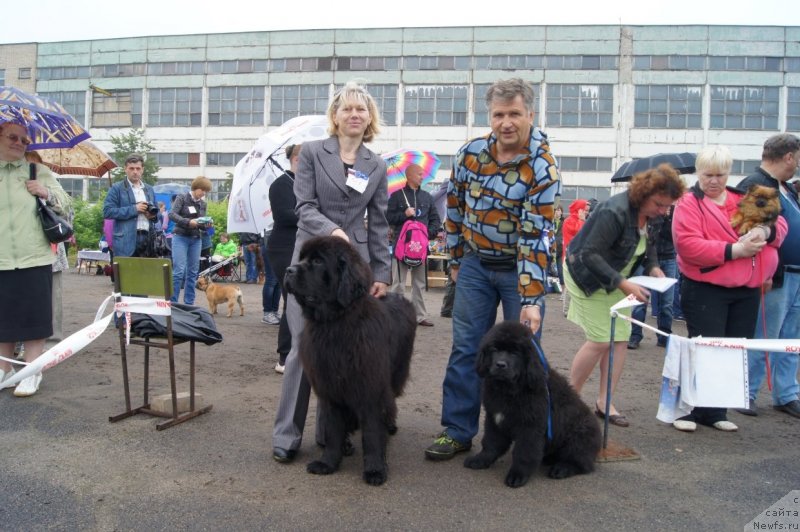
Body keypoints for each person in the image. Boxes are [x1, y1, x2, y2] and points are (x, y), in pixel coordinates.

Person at [424, 78, 561, 461]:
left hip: (520, 272)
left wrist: (532, 299)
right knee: (467, 349)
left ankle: (526, 435)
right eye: (499, 114)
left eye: (514, 113)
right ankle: (457, 431)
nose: (506, 123)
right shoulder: (469, 154)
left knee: (524, 355)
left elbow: (536, 236)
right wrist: (454, 260)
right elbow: (454, 210)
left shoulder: (543, 167)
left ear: (530, 115)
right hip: (474, 266)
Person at [272, 81, 390, 463]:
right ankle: (287, 435)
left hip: (349, 273)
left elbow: (379, 225)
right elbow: (304, 206)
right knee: (301, 350)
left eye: (361, 109)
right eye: (347, 109)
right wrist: (333, 230)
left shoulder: (377, 166)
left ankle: (330, 436)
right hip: (310, 265)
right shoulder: (310, 154)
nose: (354, 115)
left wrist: (382, 274)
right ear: (335, 117)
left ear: (369, 118)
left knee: (339, 353)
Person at [671, 145, 786, 433]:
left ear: (728, 173)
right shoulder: (688, 203)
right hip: (706, 289)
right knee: (703, 348)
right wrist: (735, 249)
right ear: (698, 173)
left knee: (733, 352)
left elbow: (779, 224)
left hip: (746, 290)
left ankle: (715, 411)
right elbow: (688, 245)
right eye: (708, 174)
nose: (714, 181)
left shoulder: (742, 198)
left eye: (720, 175)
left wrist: (765, 231)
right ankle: (688, 410)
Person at [566, 164, 685, 428]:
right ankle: (567, 399)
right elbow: (589, 254)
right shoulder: (614, 211)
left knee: (619, 339)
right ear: (643, 194)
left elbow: (649, 246)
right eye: (660, 205)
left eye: (667, 206)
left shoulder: (652, 214)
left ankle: (604, 402)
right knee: (599, 339)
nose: (664, 211)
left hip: (620, 280)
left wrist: (653, 267)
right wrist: (623, 283)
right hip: (588, 277)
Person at [0, 121, 71, 396]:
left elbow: (65, 203)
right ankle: (5, 368)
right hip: (2, 257)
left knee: (34, 315)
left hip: (34, 256)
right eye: (12, 137)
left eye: (24, 140)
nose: (19, 143)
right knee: (3, 316)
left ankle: (32, 370)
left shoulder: (37, 170)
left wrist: (46, 192)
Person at [735, 134, 800, 419]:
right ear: (789, 156)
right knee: (763, 336)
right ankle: (745, 392)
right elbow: (747, 232)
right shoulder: (757, 185)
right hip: (774, 276)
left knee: (790, 339)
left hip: (794, 274)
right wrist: (761, 270)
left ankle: (786, 392)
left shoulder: (785, 188)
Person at [387, 162, 442, 327]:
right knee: (398, 283)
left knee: (420, 283)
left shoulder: (427, 197)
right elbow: (389, 218)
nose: (422, 176)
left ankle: (420, 316)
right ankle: (394, 315)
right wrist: (404, 214)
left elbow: (435, 220)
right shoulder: (397, 196)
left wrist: (427, 234)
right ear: (409, 175)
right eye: (419, 174)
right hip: (401, 246)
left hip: (420, 248)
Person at [267, 143, 302, 373]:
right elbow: (284, 216)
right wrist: (310, 212)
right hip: (283, 247)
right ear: (297, 159)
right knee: (291, 299)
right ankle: (284, 357)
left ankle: (298, 352)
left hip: (301, 246)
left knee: (299, 300)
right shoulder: (281, 184)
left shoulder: (305, 185)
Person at [628, 204, 678, 349]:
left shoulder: (676, 212)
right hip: (646, 259)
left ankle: (664, 336)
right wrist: (661, 217)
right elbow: (650, 237)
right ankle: (635, 335)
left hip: (668, 257)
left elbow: (673, 237)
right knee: (639, 299)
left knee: (667, 302)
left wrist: (669, 219)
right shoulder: (652, 210)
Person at [102, 154, 158, 258]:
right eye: (131, 168)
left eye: (138, 168)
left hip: (148, 239)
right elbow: (107, 212)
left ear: (142, 169)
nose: (135, 171)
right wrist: (134, 209)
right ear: (125, 169)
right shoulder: (117, 188)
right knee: (125, 274)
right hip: (125, 241)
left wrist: (152, 216)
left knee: (145, 274)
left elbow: (156, 214)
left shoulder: (149, 189)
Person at [169, 176, 213, 305]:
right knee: (178, 271)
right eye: (203, 190)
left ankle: (189, 304)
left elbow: (201, 223)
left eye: (206, 191)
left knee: (193, 273)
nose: (204, 194)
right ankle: (173, 303)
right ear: (196, 188)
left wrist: (207, 226)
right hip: (180, 237)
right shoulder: (182, 198)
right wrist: (189, 222)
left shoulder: (203, 204)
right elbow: (172, 214)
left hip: (196, 239)